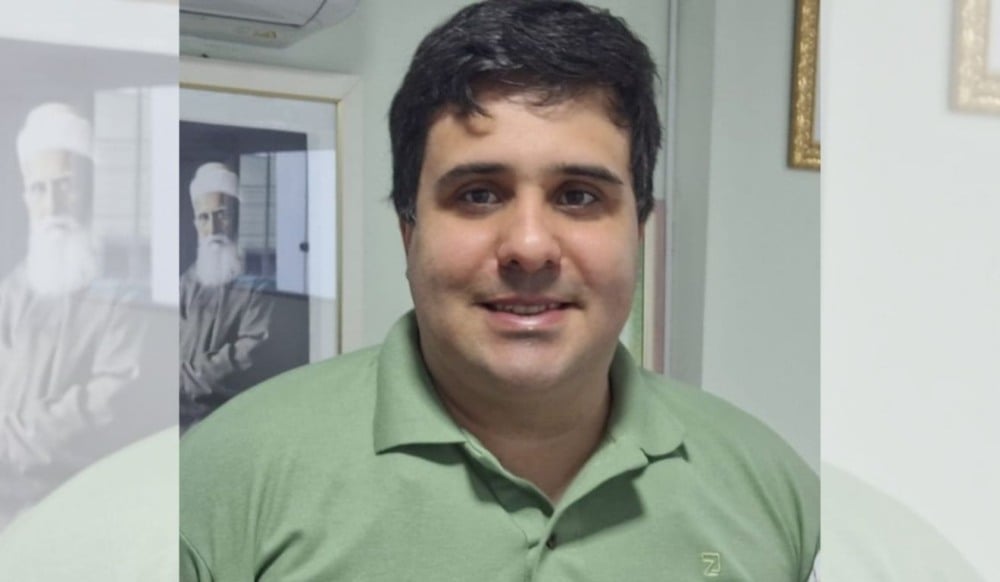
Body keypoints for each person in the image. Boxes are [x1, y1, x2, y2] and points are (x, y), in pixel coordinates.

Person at [180, 1, 820, 580]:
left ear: (638, 231)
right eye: (479, 194)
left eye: (578, 196)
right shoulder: (222, 480)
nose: (530, 247)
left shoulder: (773, 494)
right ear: (409, 231)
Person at [0, 103, 147, 529]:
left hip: (77, 510)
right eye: (39, 189)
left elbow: (110, 404)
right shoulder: (13, 291)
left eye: (66, 185)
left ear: (91, 188)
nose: (53, 205)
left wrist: (8, 444)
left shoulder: (126, 297)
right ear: (26, 198)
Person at [179, 162, 275, 430]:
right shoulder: (186, 284)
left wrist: (181, 381)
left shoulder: (260, 287)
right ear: (195, 223)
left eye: (222, 215)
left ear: (238, 217)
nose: (213, 230)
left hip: (228, 422)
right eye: (204, 218)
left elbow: (248, 357)